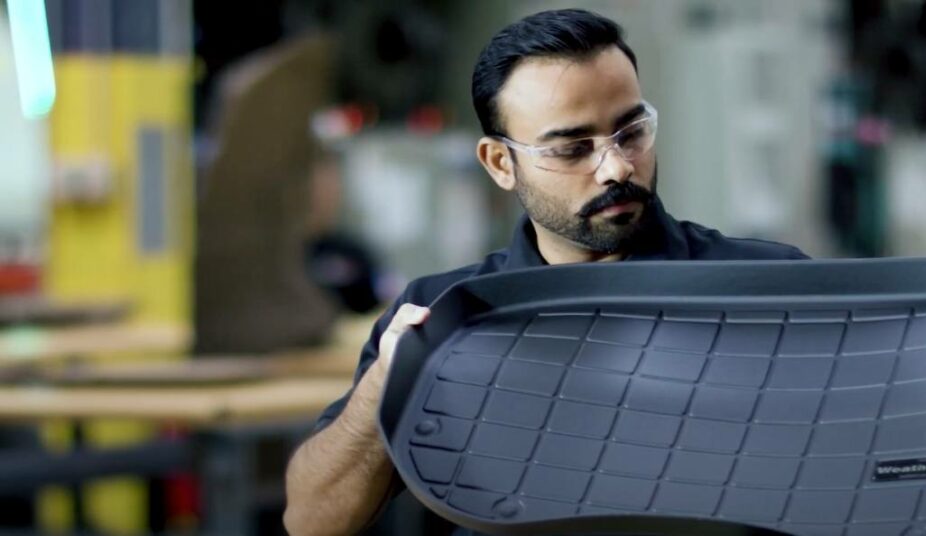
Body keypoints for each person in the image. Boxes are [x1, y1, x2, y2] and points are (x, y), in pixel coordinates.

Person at [283, 8, 807, 536]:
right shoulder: (448, 317)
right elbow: (313, 522)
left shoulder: (770, 292)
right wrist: (386, 385)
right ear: (500, 164)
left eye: (631, 132)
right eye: (572, 148)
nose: (616, 167)